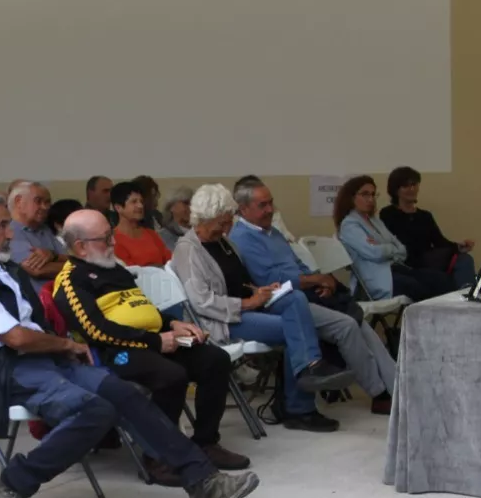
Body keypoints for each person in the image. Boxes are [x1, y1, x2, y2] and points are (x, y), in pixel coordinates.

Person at [0, 193, 259, 498]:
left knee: (125, 393)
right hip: (0, 372)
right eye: (2, 226)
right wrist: (68, 345)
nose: (11, 234)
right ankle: (10, 487)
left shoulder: (3, 269)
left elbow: (32, 333)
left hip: (45, 359)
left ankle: (203, 482)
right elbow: (16, 339)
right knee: (96, 410)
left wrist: (63, 349)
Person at [53, 209, 249, 476]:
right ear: (80, 247)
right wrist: (156, 341)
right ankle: (158, 457)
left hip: (155, 340)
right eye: (105, 238)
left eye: (111, 236)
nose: (113, 243)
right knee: (171, 375)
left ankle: (205, 442)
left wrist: (172, 324)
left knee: (214, 359)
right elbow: (95, 331)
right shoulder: (70, 281)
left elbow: (143, 308)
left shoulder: (113, 268)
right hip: (117, 352)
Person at [174, 185, 358, 430]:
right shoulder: (188, 250)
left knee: (295, 300)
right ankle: (300, 403)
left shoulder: (224, 243)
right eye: (222, 223)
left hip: (249, 306)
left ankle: (309, 373)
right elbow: (202, 302)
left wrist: (258, 291)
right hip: (223, 320)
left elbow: (239, 281)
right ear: (205, 219)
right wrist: (248, 302)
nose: (227, 228)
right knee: (296, 327)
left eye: (228, 222)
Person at [334, 175, 456, 303]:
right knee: (421, 288)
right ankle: (427, 322)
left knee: (441, 279)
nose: (370, 199)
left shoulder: (374, 220)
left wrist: (383, 247)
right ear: (351, 197)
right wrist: (389, 248)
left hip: (396, 269)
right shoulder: (349, 225)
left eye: (373, 194)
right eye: (365, 194)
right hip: (377, 279)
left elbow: (402, 249)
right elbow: (375, 253)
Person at [377, 166, 476, 289]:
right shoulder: (388, 214)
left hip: (430, 260)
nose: (411, 189)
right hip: (407, 263)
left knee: (465, 259)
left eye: (414, 184)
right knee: (441, 277)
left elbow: (439, 241)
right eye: (406, 186)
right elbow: (396, 243)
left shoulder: (425, 215)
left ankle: (467, 293)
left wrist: (458, 247)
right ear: (396, 190)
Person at [6, 180, 66, 288]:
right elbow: (38, 270)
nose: (45, 207)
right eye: (38, 201)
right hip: (35, 303)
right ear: (19, 202)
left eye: (47, 203)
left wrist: (53, 256)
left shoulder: (44, 229)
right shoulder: (10, 231)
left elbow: (70, 258)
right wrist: (72, 267)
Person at [110, 180, 172, 267]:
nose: (140, 206)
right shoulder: (113, 240)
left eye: (141, 201)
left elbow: (170, 261)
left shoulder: (151, 234)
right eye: (134, 202)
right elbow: (130, 271)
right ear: (118, 208)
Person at [158, 186, 193, 250]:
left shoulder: (202, 232)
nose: (191, 207)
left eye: (193, 203)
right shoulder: (162, 237)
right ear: (171, 207)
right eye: (186, 203)